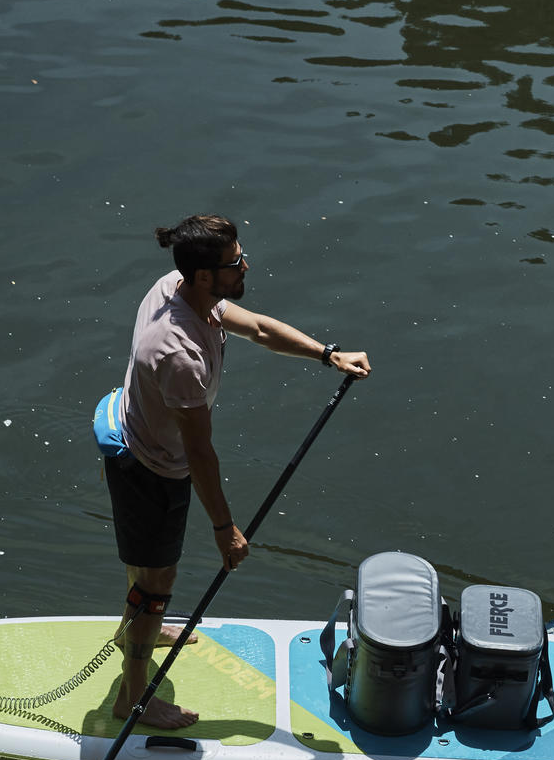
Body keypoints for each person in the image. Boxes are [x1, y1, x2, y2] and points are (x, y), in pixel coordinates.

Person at [107, 214, 371, 729]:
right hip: (151, 471)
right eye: (235, 263)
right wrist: (225, 529)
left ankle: (134, 625)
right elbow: (200, 452)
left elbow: (257, 328)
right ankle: (132, 698)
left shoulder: (179, 288)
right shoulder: (178, 352)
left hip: (152, 448)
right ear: (204, 275)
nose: (245, 265)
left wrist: (328, 354)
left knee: (150, 577)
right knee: (156, 584)